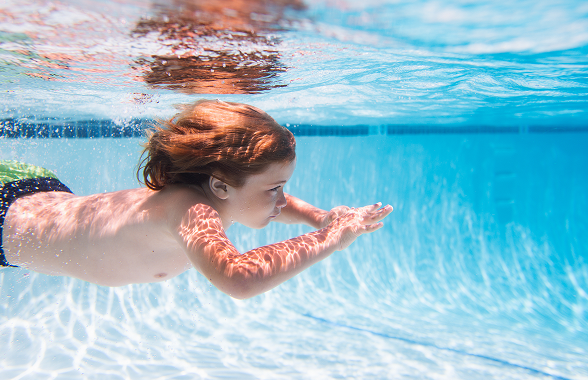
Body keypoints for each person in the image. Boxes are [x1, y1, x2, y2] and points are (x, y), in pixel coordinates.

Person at [1, 100, 392, 299]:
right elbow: (239, 278)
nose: (282, 199)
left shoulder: (223, 194)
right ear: (220, 185)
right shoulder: (193, 210)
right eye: (274, 188)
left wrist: (320, 217)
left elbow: (271, 203)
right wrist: (331, 238)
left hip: (34, 192)